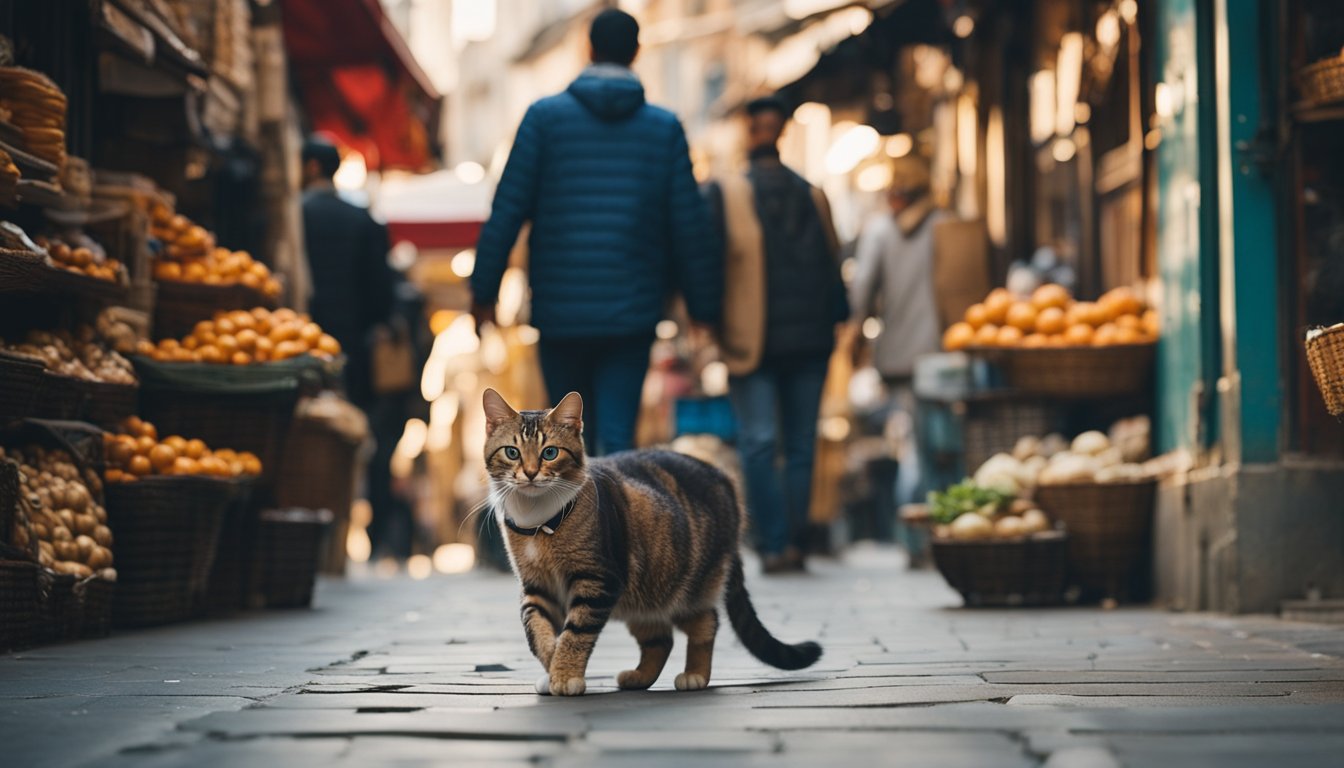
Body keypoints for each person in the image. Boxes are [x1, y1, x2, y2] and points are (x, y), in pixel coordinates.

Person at [470, 8, 720, 457]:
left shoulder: (543, 120)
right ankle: (614, 527)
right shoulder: (664, 128)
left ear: (588, 48)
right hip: (633, 310)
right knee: (617, 439)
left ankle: (580, 528)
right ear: (637, 53)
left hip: (561, 310)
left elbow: (507, 210)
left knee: (564, 439)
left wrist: (483, 292)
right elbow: (689, 225)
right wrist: (703, 308)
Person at [704, 96, 848, 574]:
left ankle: (773, 543)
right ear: (781, 132)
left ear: (748, 131)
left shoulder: (726, 194)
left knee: (761, 443)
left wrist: (707, 324)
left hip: (754, 340)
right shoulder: (813, 193)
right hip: (809, 339)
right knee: (800, 443)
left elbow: (711, 265)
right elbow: (834, 271)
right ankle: (794, 541)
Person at [300, 136, 399, 553]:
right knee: (355, 439)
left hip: (299, 343)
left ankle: (306, 534)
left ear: (309, 168)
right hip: (353, 350)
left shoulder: (296, 215)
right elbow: (382, 290)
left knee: (304, 437)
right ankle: (347, 536)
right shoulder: (363, 221)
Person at [848, 154, 947, 506]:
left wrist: (856, 331)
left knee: (916, 442)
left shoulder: (879, 231)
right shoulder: (946, 225)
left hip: (901, 354)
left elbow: (861, 293)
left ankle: (917, 523)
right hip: (946, 352)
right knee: (940, 439)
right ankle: (939, 514)